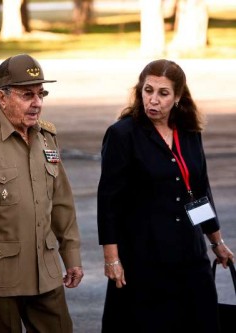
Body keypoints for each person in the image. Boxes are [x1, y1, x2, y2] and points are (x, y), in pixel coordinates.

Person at [0, 54, 84, 333]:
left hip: (45, 273)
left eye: (40, 94)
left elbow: (61, 201)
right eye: (27, 95)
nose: (37, 103)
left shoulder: (47, 136)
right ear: (2, 98)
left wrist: (71, 254)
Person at [97, 59, 235, 332]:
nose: (153, 100)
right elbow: (108, 201)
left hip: (189, 254)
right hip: (143, 259)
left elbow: (198, 192)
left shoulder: (189, 133)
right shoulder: (122, 134)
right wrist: (111, 259)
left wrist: (216, 241)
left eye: (163, 93)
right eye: (148, 90)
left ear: (178, 97)